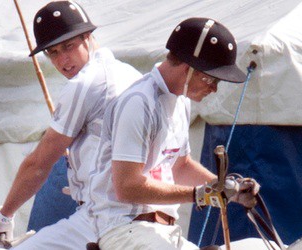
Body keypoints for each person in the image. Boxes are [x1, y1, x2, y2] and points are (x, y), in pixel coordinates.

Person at [86, 17, 260, 249]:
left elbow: (180, 166)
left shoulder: (180, 102)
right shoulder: (138, 103)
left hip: (164, 231)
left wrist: (227, 190)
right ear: (190, 69)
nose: (214, 88)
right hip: (125, 228)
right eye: (213, 79)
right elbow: (126, 185)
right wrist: (199, 194)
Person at [0, 1, 142, 248]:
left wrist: (5, 215)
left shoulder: (84, 83)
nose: (63, 61)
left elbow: (38, 164)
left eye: (69, 46)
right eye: (53, 52)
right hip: (148, 214)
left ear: (88, 37)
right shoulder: (132, 75)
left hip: (103, 219)